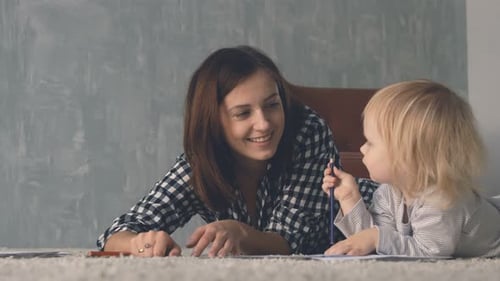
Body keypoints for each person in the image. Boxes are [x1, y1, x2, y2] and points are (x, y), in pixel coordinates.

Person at [97, 45, 378, 257]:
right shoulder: (201, 163)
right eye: (243, 113)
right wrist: (141, 243)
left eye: (271, 104)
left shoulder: (307, 131)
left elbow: (290, 241)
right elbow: (118, 232)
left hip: (386, 226)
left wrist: (240, 233)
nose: (264, 123)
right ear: (214, 122)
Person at [322, 79, 500, 257]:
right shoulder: (389, 193)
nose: (362, 148)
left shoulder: (441, 199)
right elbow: (371, 243)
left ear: (408, 155)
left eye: (371, 142)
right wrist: (349, 198)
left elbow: (429, 253)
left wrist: (377, 237)